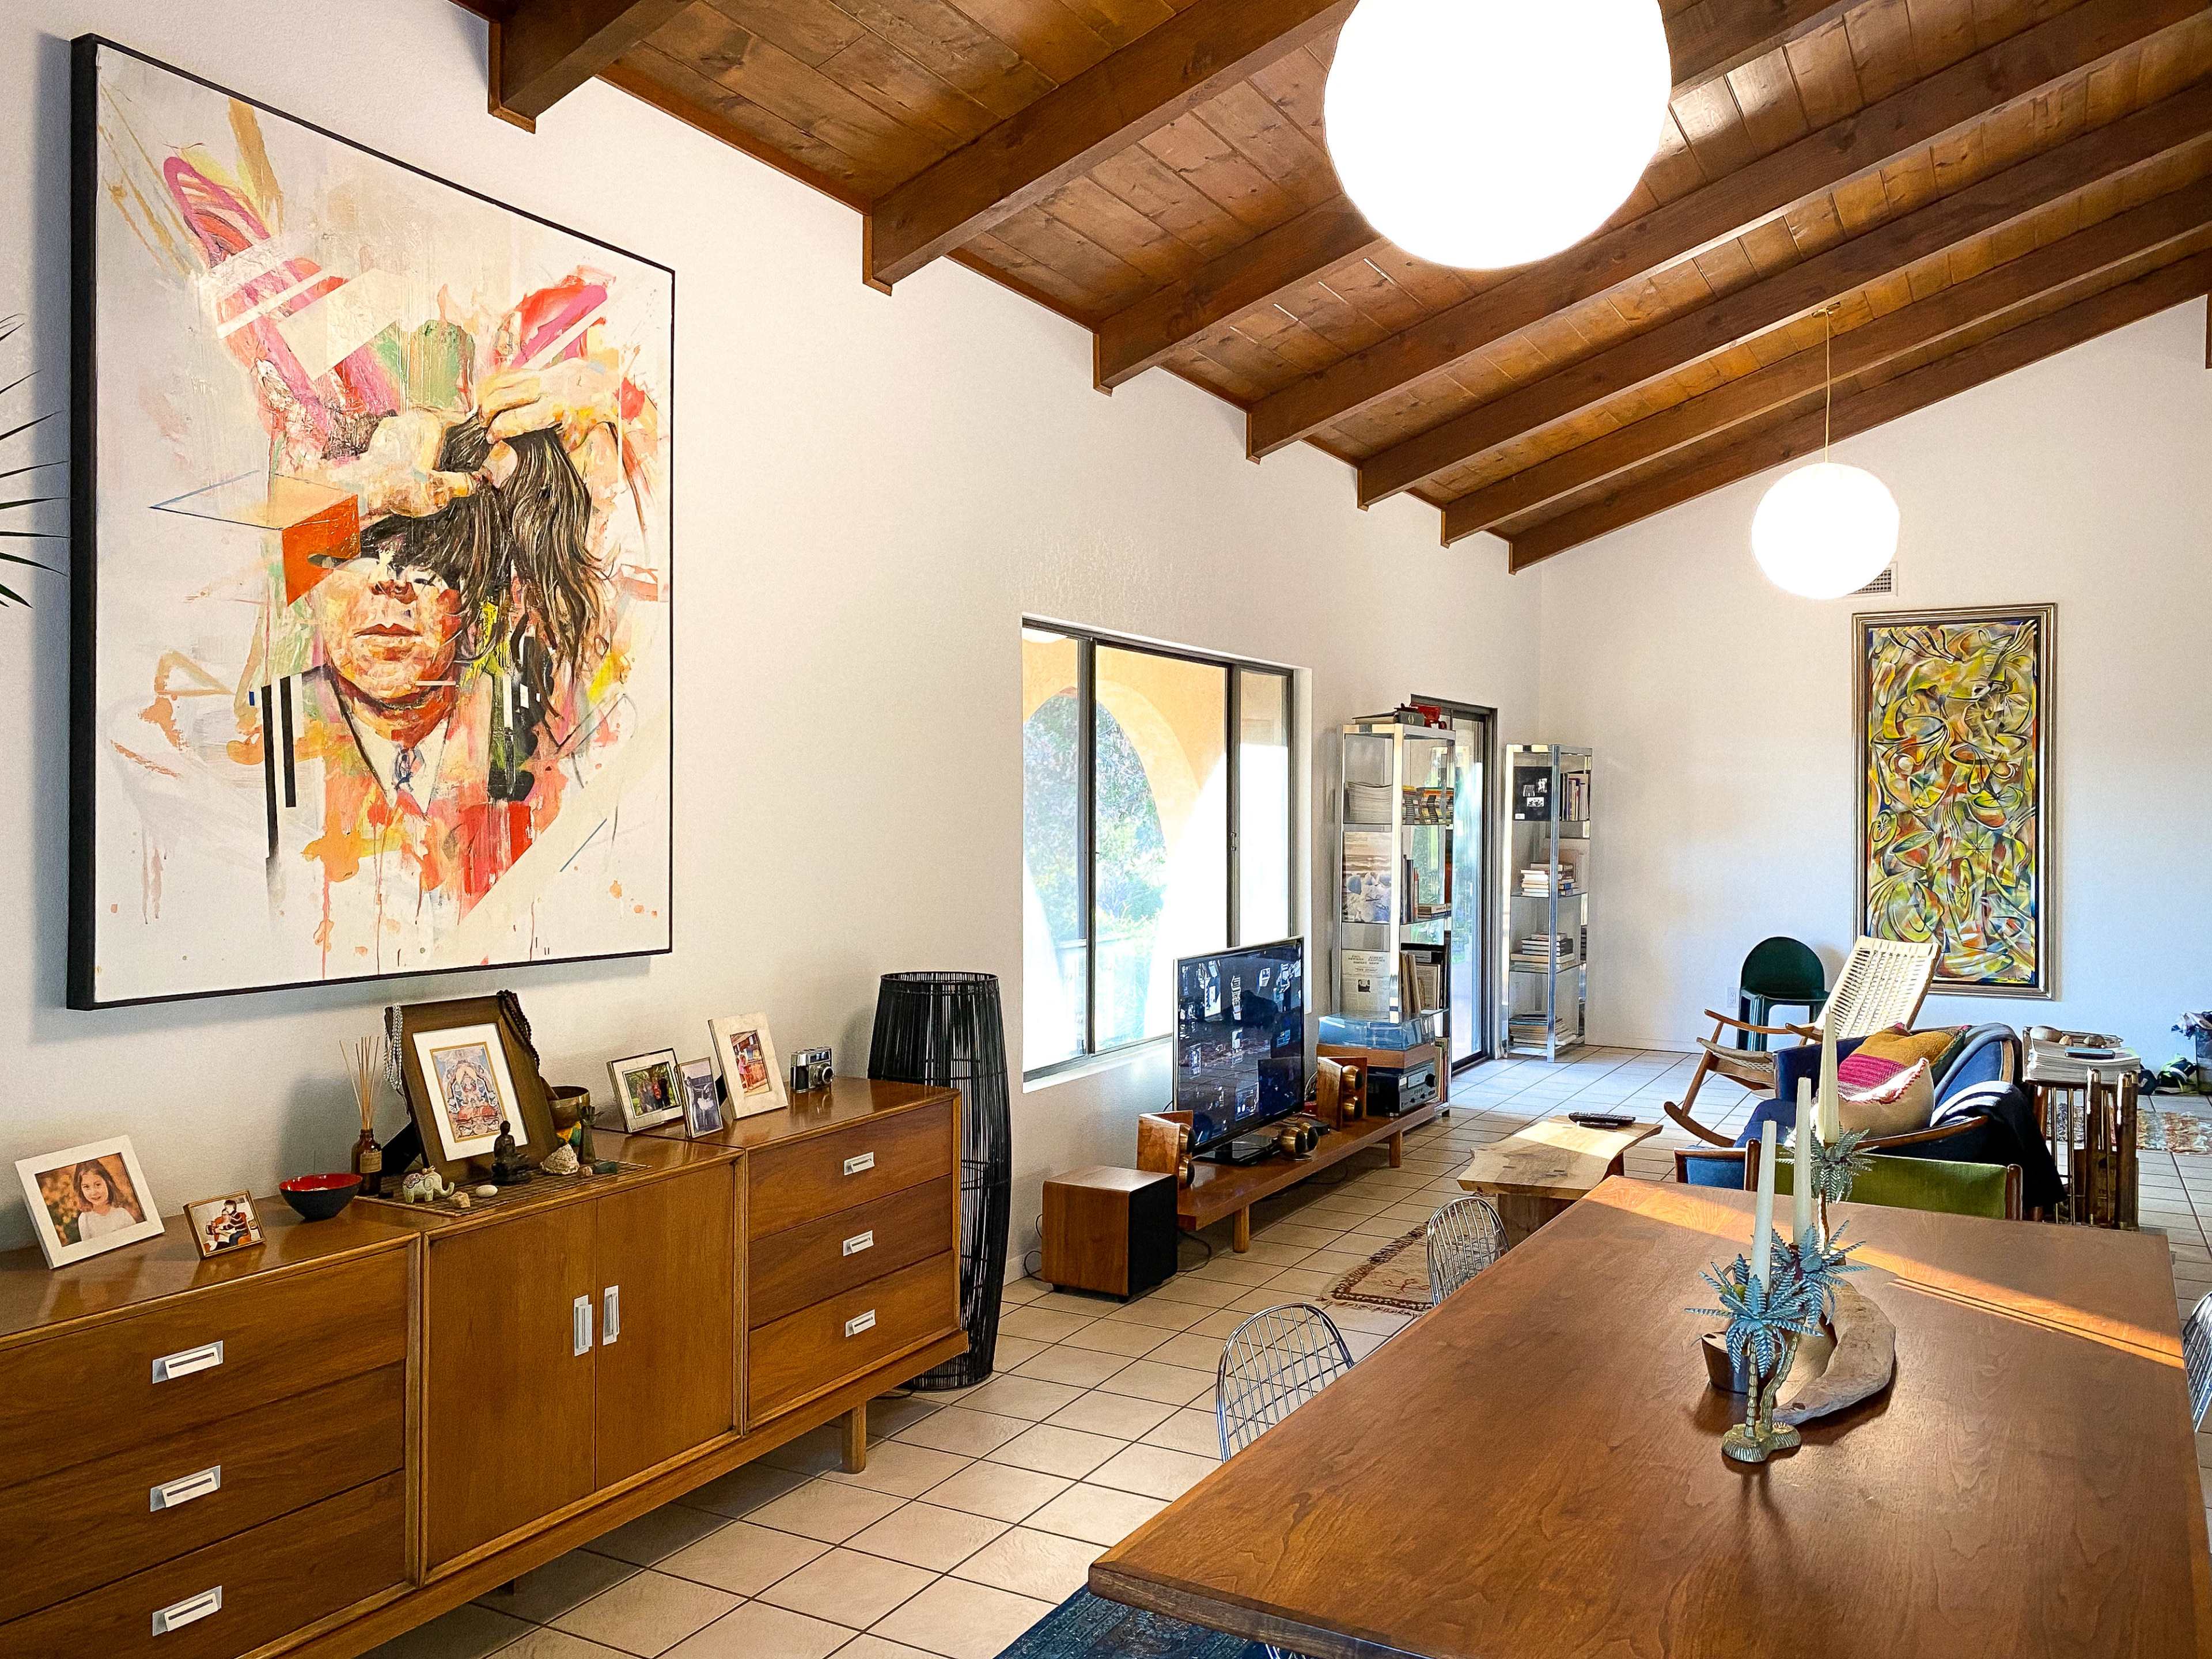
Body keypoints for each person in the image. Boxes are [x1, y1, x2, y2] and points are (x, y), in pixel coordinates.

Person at [71, 1162, 141, 1243]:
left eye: (98, 1185)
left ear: (108, 1183)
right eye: (87, 1187)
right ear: (81, 1190)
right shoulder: (85, 1219)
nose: (94, 1192)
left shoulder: (122, 1214)